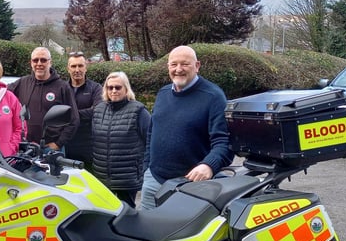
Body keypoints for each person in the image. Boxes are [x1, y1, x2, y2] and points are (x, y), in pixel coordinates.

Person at [140, 45, 234, 210]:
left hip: (192, 186)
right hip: (154, 181)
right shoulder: (162, 94)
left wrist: (209, 165)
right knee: (146, 233)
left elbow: (225, 142)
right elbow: (151, 133)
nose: (178, 69)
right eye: (173, 64)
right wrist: (147, 167)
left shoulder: (213, 97)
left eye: (185, 64)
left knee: (185, 235)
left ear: (197, 66)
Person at [91, 71, 151, 208]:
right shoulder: (99, 110)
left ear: (126, 89)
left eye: (118, 87)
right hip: (102, 177)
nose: (113, 91)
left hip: (127, 178)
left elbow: (149, 140)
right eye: (109, 87)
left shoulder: (139, 111)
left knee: (127, 215)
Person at [8, 46, 79, 152]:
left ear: (50, 62)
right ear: (31, 63)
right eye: (35, 60)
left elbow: (74, 120)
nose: (39, 63)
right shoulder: (23, 83)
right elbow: (0, 93)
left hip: (50, 148)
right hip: (25, 148)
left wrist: (58, 143)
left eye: (43, 60)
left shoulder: (62, 87)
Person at [64, 51, 103, 169]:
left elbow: (97, 111)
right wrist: (85, 112)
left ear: (86, 68)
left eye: (80, 66)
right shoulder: (62, 88)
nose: (77, 70)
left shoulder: (95, 88)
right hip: (66, 145)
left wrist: (70, 114)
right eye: (73, 66)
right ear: (68, 69)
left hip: (89, 146)